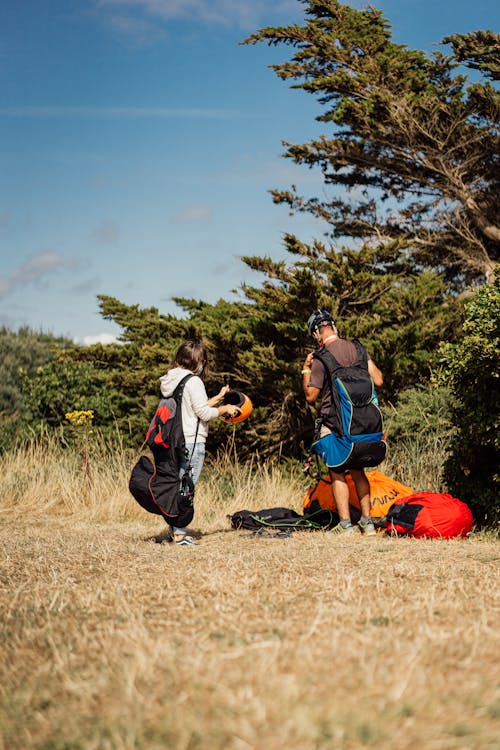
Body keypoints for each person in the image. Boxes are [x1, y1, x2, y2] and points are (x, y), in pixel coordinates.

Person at [302, 310, 385, 536]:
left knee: (337, 471)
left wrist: (306, 368)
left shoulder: (321, 357)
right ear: (334, 326)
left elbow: (311, 396)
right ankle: (367, 524)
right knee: (358, 471)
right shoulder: (358, 349)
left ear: (316, 334)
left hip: (336, 422)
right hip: (363, 423)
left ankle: (346, 525)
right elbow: (378, 379)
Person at [159, 339, 239, 545]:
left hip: (174, 440)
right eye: (203, 361)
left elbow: (193, 407)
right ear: (197, 361)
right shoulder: (194, 381)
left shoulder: (172, 379)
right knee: (187, 488)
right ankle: (179, 534)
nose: (203, 365)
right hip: (192, 442)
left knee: (178, 484)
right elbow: (203, 413)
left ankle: (173, 528)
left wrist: (219, 398)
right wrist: (224, 409)